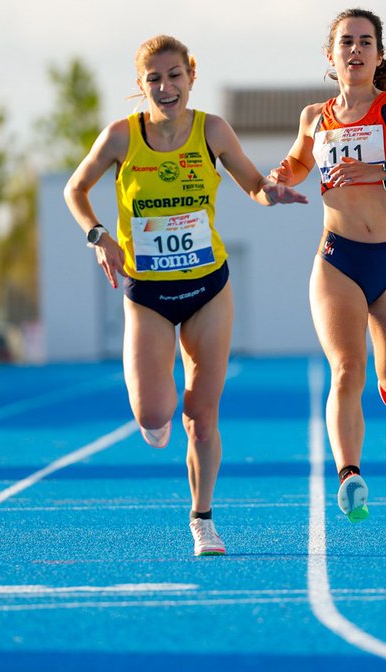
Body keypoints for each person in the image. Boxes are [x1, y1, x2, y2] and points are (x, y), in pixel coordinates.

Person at [63, 35, 306, 556]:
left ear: (191, 76)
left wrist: (273, 192)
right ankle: (157, 415)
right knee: (154, 415)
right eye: (154, 78)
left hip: (207, 288)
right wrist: (98, 236)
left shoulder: (212, 130)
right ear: (141, 85)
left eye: (174, 76)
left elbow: (252, 186)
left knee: (202, 415)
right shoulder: (121, 137)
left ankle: (202, 518)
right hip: (147, 292)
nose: (166, 87)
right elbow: (74, 189)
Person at [268, 8, 386, 523]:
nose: (355, 50)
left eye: (365, 42)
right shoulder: (315, 117)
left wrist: (383, 170)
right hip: (338, 260)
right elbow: (297, 166)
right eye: (346, 42)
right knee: (345, 369)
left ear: (378, 54)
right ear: (330, 56)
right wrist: (280, 177)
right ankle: (350, 474)